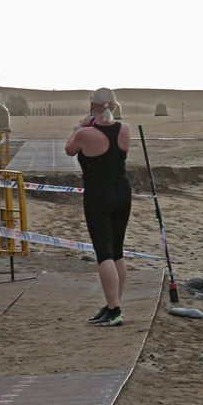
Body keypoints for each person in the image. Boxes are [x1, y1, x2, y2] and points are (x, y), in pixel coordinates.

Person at [65, 88, 132, 327]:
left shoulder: (85, 133)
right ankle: (114, 304)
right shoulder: (124, 129)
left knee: (104, 253)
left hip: (98, 195)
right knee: (117, 252)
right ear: (114, 106)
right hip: (123, 192)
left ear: (92, 106)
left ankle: (114, 309)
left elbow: (69, 149)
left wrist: (79, 126)